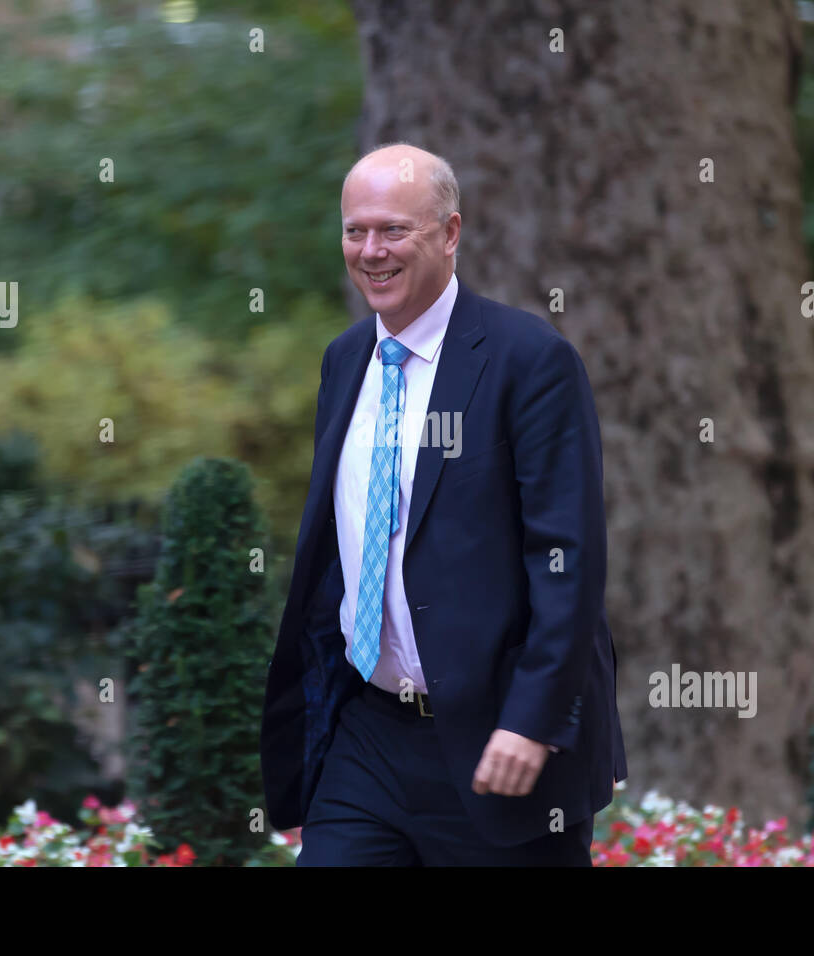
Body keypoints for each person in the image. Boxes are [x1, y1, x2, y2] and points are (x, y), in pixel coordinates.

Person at [260, 142, 627, 865]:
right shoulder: (344, 363)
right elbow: (337, 559)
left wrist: (534, 721)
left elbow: (568, 560)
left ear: (451, 234)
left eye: (394, 229)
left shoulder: (529, 360)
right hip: (366, 735)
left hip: (498, 746)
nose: (371, 251)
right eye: (354, 230)